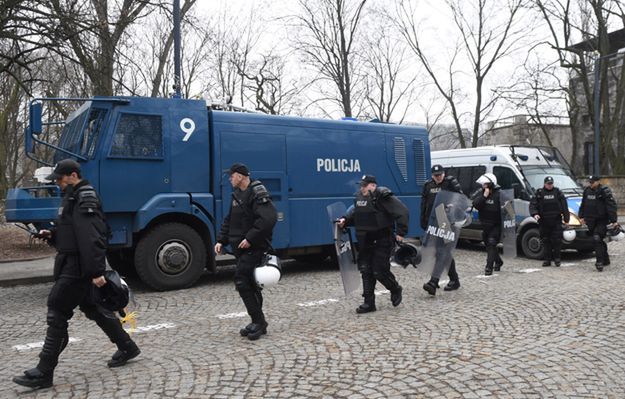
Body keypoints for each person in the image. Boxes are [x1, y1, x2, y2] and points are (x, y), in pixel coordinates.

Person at [13, 159, 140, 389]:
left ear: (73, 175)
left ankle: (44, 371)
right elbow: (70, 230)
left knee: (57, 310)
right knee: (93, 308)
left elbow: (92, 237)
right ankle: (127, 346)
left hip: (78, 266)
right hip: (73, 262)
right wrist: (51, 234)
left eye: (61, 179)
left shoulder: (85, 197)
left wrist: (96, 271)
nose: (59, 183)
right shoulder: (72, 196)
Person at [215, 163, 277, 340]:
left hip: (254, 247)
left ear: (241, 176)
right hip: (240, 248)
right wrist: (221, 239)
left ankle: (259, 321)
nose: (230, 179)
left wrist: (250, 238)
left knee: (242, 281)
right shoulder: (237, 194)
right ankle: (258, 322)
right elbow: (230, 219)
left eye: (232, 175)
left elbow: (268, 219)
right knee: (249, 283)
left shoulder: (257, 191)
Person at [338, 175, 409, 314]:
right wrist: (345, 220)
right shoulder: (359, 199)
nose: (362, 188)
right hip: (365, 240)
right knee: (366, 270)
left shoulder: (383, 196)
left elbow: (402, 212)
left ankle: (395, 288)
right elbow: (355, 216)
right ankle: (368, 303)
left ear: (373, 185)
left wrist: (401, 232)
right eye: (361, 185)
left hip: (382, 239)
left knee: (379, 271)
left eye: (365, 185)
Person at [421, 164, 463, 294]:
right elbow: (424, 204)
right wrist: (423, 221)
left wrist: (453, 205)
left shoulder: (450, 183)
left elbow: (461, 199)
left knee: (442, 251)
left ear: (443, 174)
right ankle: (454, 280)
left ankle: (433, 282)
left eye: (439, 175)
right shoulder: (428, 185)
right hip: (434, 221)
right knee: (441, 252)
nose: (438, 177)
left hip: (447, 221)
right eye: (435, 175)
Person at [578, 175, 618, 271]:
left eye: (592, 182)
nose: (591, 184)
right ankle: (606, 258)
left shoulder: (604, 191)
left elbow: (611, 206)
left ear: (598, 182)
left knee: (597, 238)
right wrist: (581, 216)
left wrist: (614, 221)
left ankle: (599, 262)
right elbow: (583, 204)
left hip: (601, 220)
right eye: (590, 182)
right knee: (598, 240)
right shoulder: (587, 191)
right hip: (590, 220)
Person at [529, 176, 570, 267]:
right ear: (544, 184)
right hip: (544, 221)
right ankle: (547, 259)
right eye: (548, 184)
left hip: (556, 220)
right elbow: (533, 205)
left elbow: (564, 206)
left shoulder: (558, 192)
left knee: (557, 241)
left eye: (551, 183)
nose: (550, 185)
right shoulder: (539, 193)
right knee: (545, 240)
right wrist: (535, 214)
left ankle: (557, 259)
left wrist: (567, 219)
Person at [472, 173, 504, 276]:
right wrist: (484, 196)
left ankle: (488, 267)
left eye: (485, 184)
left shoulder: (499, 194)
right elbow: (475, 204)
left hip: (496, 225)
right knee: (488, 245)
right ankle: (498, 261)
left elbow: (508, 210)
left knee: (491, 243)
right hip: (485, 225)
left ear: (490, 184)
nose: (483, 186)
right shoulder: (481, 193)